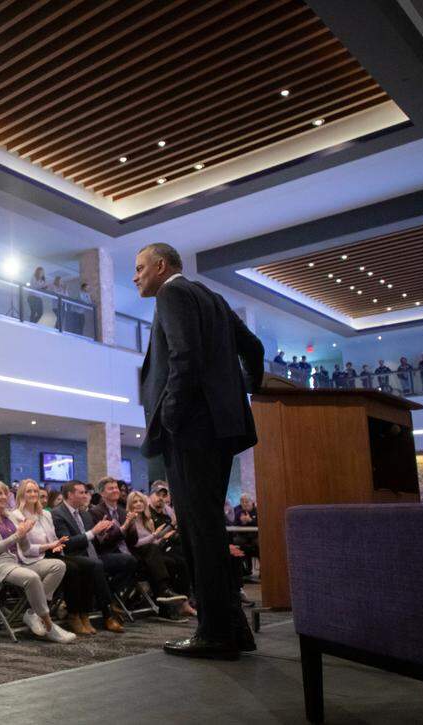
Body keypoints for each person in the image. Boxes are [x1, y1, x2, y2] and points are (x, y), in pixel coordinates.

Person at [133, 242, 263, 659]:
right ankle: (233, 628)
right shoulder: (213, 298)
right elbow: (254, 350)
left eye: (139, 268)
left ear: (160, 265)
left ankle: (214, 633)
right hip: (220, 428)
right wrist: (243, 393)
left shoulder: (172, 293)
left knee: (197, 531)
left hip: (190, 429)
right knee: (209, 530)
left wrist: (171, 416)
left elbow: (183, 358)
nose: (135, 276)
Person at [0, 482, 74, 642]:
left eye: (5, 493)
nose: (4, 496)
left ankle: (33, 613)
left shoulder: (8, 516)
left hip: (15, 563)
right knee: (32, 577)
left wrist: (26, 533)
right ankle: (49, 625)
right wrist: (17, 535)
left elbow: (25, 549)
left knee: (58, 565)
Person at [12, 479, 104, 635]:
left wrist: (57, 545)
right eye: (29, 491)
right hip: (30, 558)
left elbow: (53, 538)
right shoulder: (16, 516)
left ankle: (84, 613)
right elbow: (23, 549)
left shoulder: (45, 514)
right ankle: (73, 614)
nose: (33, 494)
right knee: (72, 569)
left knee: (88, 565)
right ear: (21, 494)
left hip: (49, 554)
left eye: (35, 491)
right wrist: (50, 546)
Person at [51, 481, 127, 634]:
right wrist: (93, 532)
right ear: (70, 495)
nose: (86, 495)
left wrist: (101, 534)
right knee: (94, 565)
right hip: (72, 556)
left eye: (86, 492)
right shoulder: (58, 514)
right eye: (82, 492)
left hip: (92, 555)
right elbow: (67, 543)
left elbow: (93, 539)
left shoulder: (84, 514)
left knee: (129, 561)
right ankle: (106, 614)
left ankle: (108, 598)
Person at [124, 491, 189, 614]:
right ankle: (164, 590)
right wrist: (154, 535)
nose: (138, 504)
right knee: (155, 552)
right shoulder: (129, 520)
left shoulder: (147, 520)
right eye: (135, 501)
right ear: (130, 504)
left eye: (140, 501)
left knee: (173, 561)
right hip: (136, 554)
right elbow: (136, 543)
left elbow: (155, 541)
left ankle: (170, 602)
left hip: (149, 553)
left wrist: (171, 527)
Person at [87, 478, 139, 600]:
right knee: (130, 561)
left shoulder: (123, 511)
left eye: (116, 488)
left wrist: (131, 528)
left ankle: (116, 596)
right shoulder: (95, 512)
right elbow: (101, 543)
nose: (116, 490)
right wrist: (124, 527)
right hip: (107, 553)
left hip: (126, 551)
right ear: (102, 493)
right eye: (111, 488)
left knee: (151, 557)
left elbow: (133, 541)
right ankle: (109, 597)